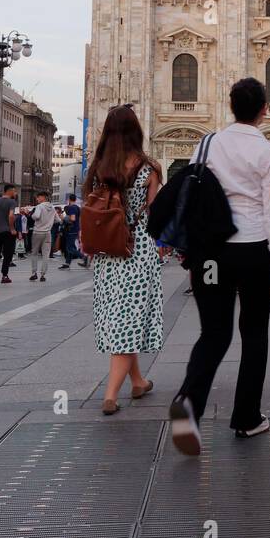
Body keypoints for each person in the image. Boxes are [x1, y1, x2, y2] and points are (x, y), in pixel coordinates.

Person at [169, 78, 270, 456]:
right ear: (264, 110)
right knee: (254, 332)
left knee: (214, 334)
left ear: (230, 104)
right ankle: (247, 418)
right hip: (254, 251)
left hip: (211, 254)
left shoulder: (206, 145)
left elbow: (191, 194)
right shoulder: (269, 153)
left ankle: (189, 404)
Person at [85, 105, 163, 415]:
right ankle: (110, 394)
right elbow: (154, 214)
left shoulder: (99, 167)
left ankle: (138, 381)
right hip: (138, 250)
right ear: (136, 131)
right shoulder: (149, 168)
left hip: (107, 252)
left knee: (120, 315)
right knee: (129, 320)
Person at [29, 192, 56, 281]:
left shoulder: (39, 206)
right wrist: (49, 222)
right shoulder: (52, 207)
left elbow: (36, 216)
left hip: (37, 232)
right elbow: (58, 220)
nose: (37, 199)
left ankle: (34, 273)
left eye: (38, 197)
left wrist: (31, 215)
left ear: (42, 197)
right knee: (46, 255)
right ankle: (43, 275)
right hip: (48, 233)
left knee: (34, 253)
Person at [0, 184, 19, 284]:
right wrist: (12, 228)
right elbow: (11, 216)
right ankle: (4, 276)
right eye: (14, 191)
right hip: (7, 231)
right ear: (9, 191)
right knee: (7, 254)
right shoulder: (11, 201)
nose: (15, 193)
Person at [59, 193, 87, 269]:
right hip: (75, 229)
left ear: (69, 200)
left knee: (69, 247)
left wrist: (63, 218)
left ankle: (84, 257)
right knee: (70, 246)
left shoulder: (72, 208)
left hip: (71, 229)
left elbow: (73, 218)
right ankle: (67, 263)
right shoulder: (78, 207)